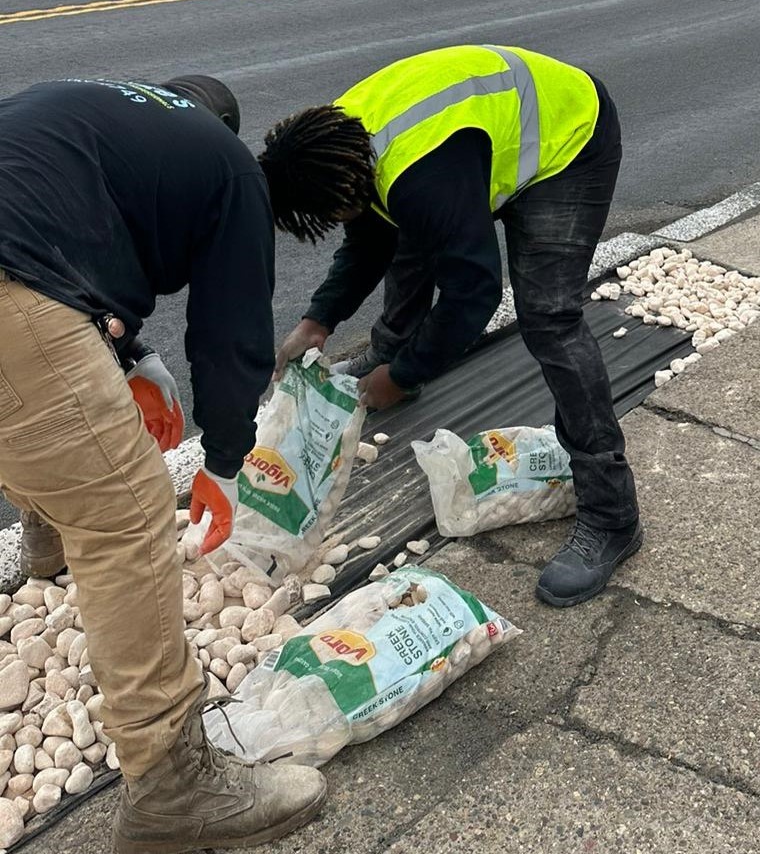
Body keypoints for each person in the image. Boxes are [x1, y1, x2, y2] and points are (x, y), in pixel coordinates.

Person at [0, 76, 325, 854]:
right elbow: (230, 335)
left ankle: (44, 537)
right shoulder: (231, 171)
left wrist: (131, 355)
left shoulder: (88, 113)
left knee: (44, 419)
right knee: (125, 520)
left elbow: (71, 252)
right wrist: (221, 458)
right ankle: (174, 787)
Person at [265, 44, 641, 608]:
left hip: (568, 139)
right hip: (466, 151)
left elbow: (476, 290)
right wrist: (318, 321)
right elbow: (370, 238)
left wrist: (405, 371)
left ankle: (613, 514)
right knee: (407, 238)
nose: (335, 223)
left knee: (549, 316)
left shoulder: (417, 174)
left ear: (345, 186)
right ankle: (388, 358)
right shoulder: (338, 144)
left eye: (330, 214)